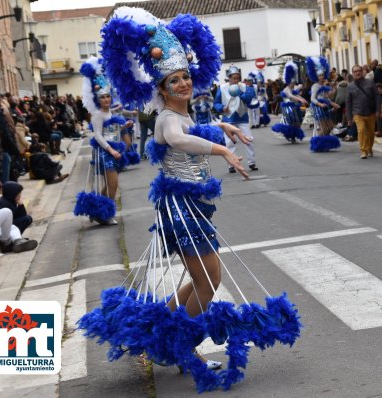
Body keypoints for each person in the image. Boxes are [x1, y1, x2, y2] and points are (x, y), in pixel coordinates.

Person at [80, 7, 301, 392]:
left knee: (203, 279)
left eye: (185, 77)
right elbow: (179, 138)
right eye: (173, 80)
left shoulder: (183, 113)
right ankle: (179, 343)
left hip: (192, 208)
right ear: (161, 89)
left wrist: (223, 125)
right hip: (180, 211)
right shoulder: (166, 117)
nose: (182, 84)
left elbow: (193, 127)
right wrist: (223, 151)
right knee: (208, 280)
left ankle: (158, 334)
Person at [77, 56, 133, 225]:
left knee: (110, 185)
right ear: (97, 99)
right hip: (105, 153)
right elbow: (98, 136)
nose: (107, 99)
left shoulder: (109, 113)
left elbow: (112, 131)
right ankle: (105, 214)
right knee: (112, 185)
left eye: (108, 96)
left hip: (114, 151)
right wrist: (111, 150)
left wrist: (124, 127)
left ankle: (99, 211)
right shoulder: (97, 115)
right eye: (103, 97)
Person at [214, 66, 259, 172]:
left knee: (248, 140)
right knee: (229, 143)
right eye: (234, 78)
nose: (236, 80)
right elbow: (216, 103)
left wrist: (240, 93)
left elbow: (249, 100)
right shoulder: (222, 88)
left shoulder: (244, 87)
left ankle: (252, 162)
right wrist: (221, 108)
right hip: (228, 120)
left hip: (242, 118)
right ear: (229, 78)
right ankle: (231, 164)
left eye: (238, 78)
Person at [346, 64, 381, 158]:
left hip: (371, 112)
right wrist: (349, 118)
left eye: (359, 71)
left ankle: (369, 148)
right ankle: (363, 151)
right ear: (352, 74)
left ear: (362, 72)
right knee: (361, 131)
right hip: (358, 113)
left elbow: (377, 97)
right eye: (355, 71)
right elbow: (348, 103)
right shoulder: (350, 87)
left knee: (370, 133)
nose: (357, 73)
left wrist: (378, 110)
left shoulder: (370, 83)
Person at [307, 56, 341, 152]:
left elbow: (326, 98)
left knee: (330, 127)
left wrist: (334, 104)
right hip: (319, 108)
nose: (321, 77)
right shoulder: (315, 86)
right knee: (323, 127)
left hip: (325, 107)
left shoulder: (324, 86)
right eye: (319, 75)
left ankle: (323, 143)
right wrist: (320, 104)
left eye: (322, 75)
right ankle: (318, 144)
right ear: (316, 76)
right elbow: (312, 98)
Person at [271, 62, 308, 143]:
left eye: (294, 83)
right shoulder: (287, 89)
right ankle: (291, 137)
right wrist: (300, 100)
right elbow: (291, 96)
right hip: (288, 108)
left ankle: (293, 136)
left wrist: (302, 99)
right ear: (289, 82)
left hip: (294, 107)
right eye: (292, 83)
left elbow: (296, 95)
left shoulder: (292, 89)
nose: (293, 84)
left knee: (297, 122)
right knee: (291, 122)